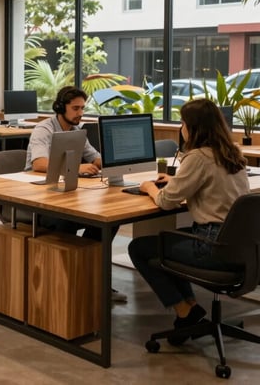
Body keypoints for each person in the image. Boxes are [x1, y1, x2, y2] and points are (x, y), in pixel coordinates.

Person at [128, 98, 249, 345]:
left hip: (212, 246)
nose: (181, 127)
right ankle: (191, 308)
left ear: (193, 127)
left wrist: (150, 187)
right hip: (241, 247)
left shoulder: (198, 157)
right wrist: (176, 181)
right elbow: (208, 184)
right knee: (170, 242)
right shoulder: (232, 153)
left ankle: (184, 312)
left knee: (139, 247)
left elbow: (165, 202)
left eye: (183, 122)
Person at [25, 85, 126, 302]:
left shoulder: (76, 132)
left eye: (83, 108)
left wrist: (109, 160)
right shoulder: (43, 129)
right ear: (61, 108)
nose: (80, 113)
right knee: (68, 221)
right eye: (76, 108)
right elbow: (40, 163)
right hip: (36, 194)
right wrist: (76, 167)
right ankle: (67, 280)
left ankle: (91, 276)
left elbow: (95, 157)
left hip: (67, 192)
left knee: (109, 221)